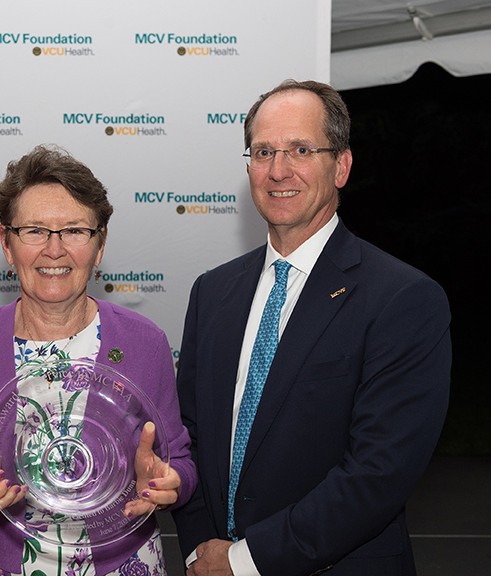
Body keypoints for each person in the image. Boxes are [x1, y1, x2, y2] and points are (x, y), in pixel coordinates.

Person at [171, 79, 451, 576]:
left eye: (300, 149)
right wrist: (198, 549)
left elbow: (378, 474)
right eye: (263, 152)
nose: (278, 170)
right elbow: (187, 436)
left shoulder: (403, 299)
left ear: (340, 165)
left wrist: (244, 560)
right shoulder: (212, 293)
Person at [0, 145, 197, 575]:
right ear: (6, 244)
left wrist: (168, 481)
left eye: (74, 231)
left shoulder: (146, 343)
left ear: (100, 245)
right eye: (34, 230)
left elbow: (180, 462)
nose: (54, 249)